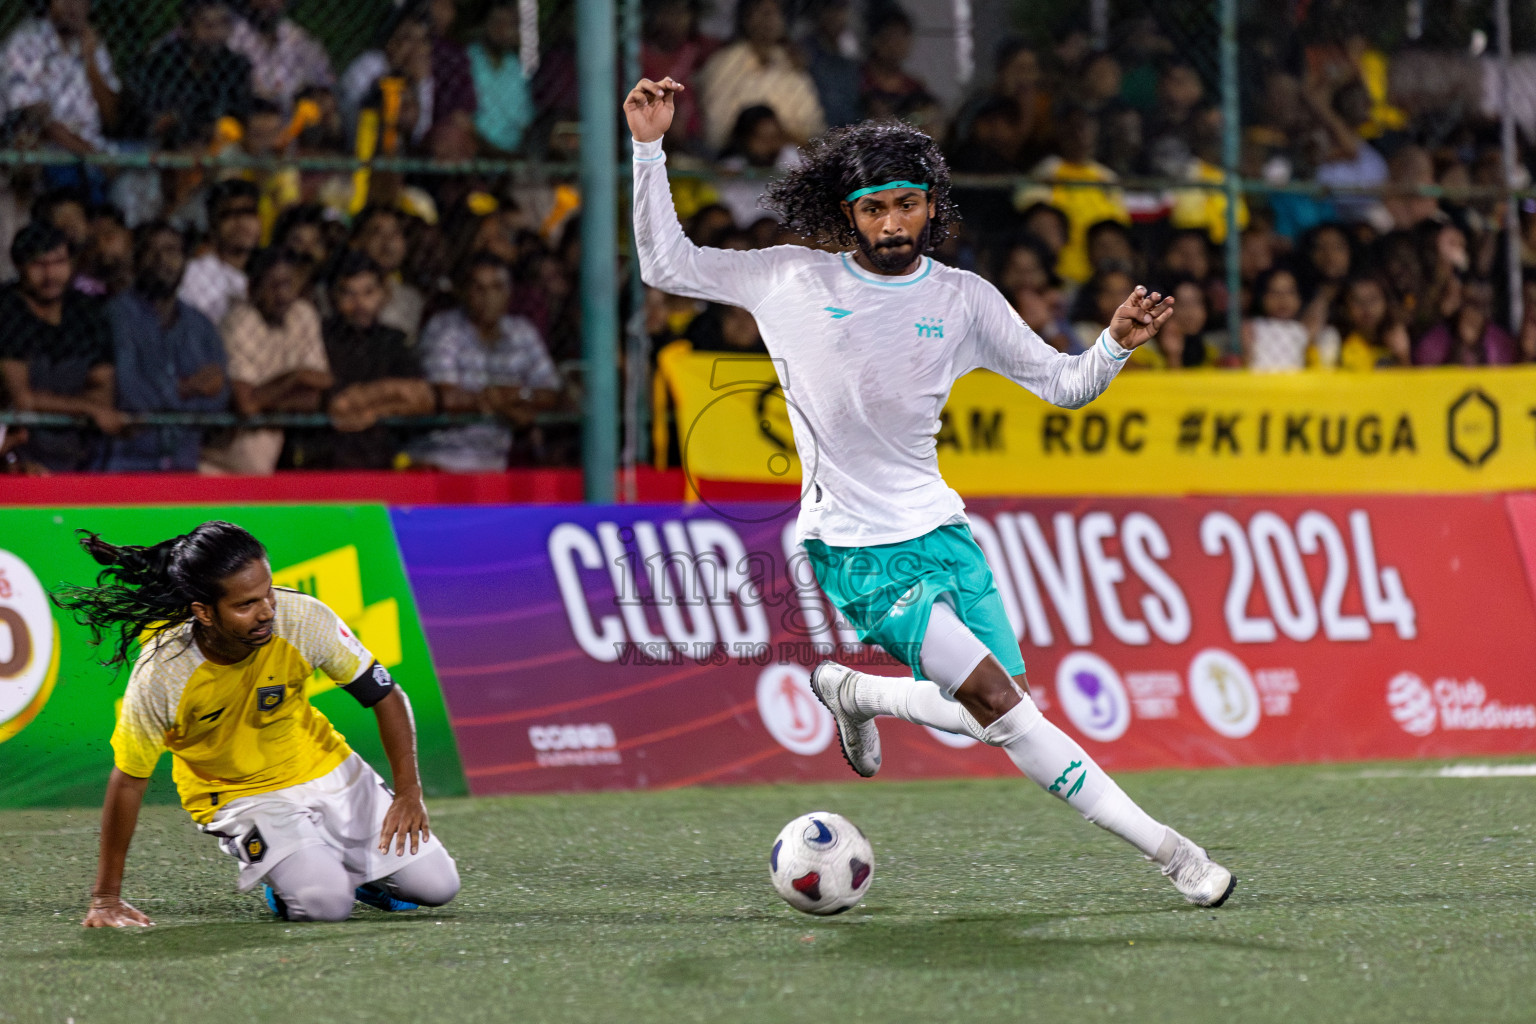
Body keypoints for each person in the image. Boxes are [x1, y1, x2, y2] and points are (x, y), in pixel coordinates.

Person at [626, 76, 1236, 908]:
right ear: (849, 214)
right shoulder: (787, 281)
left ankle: (856, 690)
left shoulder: (962, 298)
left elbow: (1062, 385)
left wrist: (1114, 345)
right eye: (873, 210)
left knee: (1001, 713)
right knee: (1002, 707)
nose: (890, 225)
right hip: (854, 548)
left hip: (940, 532)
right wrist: (649, 147)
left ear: (931, 208)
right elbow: (667, 263)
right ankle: (1177, 857)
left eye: (906, 207)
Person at [56, 521, 460, 926]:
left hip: (324, 766)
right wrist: (105, 899)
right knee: (326, 905)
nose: (266, 611)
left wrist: (409, 792)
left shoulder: (304, 619)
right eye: (245, 604)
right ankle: (289, 885)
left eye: (267, 592)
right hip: (237, 794)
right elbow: (128, 781)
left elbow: (386, 695)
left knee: (438, 888)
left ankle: (336, 872)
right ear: (204, 612)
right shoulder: (163, 674)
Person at [412, 252, 561, 471]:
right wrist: (514, 403)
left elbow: (551, 391)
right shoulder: (444, 328)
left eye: (497, 288)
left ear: (509, 293)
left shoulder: (522, 331)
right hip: (443, 456)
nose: (488, 297)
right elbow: (447, 397)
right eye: (479, 289)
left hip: (497, 456)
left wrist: (508, 396)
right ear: (464, 292)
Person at [105, 221, 229, 472]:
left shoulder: (200, 325)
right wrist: (189, 388)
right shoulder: (116, 315)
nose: (162, 260)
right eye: (152, 251)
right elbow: (129, 394)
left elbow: (219, 396)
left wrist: (167, 398)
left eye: (172, 251)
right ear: (137, 261)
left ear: (185, 260)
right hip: (127, 465)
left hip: (184, 463)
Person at [0, 222, 124, 471]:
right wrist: (87, 407)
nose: (50, 274)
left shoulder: (87, 312)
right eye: (38, 264)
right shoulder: (6, 309)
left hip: (76, 456)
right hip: (15, 454)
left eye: (58, 262)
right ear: (19, 266)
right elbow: (22, 400)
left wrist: (85, 407)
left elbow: (103, 391)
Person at [204, 247, 332, 474]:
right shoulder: (240, 321)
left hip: (276, 451)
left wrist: (264, 397)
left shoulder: (303, 314)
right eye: (273, 286)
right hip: (223, 463)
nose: (282, 294)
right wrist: (296, 377)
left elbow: (315, 396)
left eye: (287, 284)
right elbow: (245, 404)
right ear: (252, 289)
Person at [302, 251, 434, 469]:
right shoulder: (317, 337)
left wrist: (373, 411)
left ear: (384, 294)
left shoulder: (395, 341)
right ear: (332, 296)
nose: (360, 303)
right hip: (325, 460)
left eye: (368, 292)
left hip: (383, 459)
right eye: (349, 294)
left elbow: (420, 396)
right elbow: (332, 402)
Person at [696, 0, 824, 154]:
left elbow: (813, 129)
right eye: (762, 12)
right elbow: (717, 131)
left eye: (775, 12)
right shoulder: (723, 63)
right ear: (746, 18)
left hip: (790, 160)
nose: (769, 19)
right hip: (736, 160)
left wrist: (781, 139)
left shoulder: (793, 66)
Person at [0, 0, 121, 159]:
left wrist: (90, 61)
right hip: (46, 155)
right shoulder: (27, 41)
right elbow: (30, 120)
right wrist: (93, 158)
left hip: (96, 149)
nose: (72, 4)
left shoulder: (92, 44)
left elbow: (111, 116)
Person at [135, 0, 254, 149]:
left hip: (218, 143)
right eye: (207, 25)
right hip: (166, 144)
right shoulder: (164, 61)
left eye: (223, 24)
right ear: (188, 28)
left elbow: (237, 114)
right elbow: (156, 117)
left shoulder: (236, 65)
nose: (215, 33)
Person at [226, 0, 335, 113]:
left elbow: (324, 81)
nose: (271, 6)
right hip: (261, 111)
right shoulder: (238, 37)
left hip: (300, 106)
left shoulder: (293, 34)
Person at [180, 179, 263, 327]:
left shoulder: (268, 270)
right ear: (213, 225)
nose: (241, 222)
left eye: (248, 212)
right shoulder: (194, 274)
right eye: (229, 214)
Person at [467, 0, 534, 155]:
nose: (503, 30)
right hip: (476, 153)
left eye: (509, 24)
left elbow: (525, 123)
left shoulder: (516, 67)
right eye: (497, 22)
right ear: (483, 25)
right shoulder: (468, 60)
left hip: (514, 154)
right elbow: (466, 123)